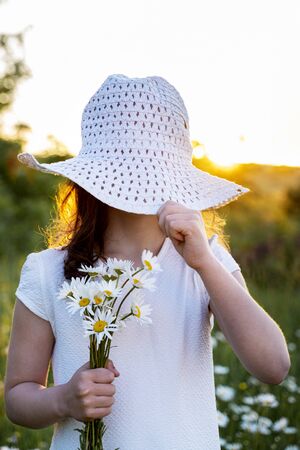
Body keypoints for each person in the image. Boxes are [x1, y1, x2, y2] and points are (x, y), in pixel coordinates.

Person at [4, 74, 290, 450]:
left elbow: (273, 366)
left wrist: (204, 262)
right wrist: (63, 400)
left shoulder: (204, 260)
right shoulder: (48, 270)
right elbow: (18, 397)